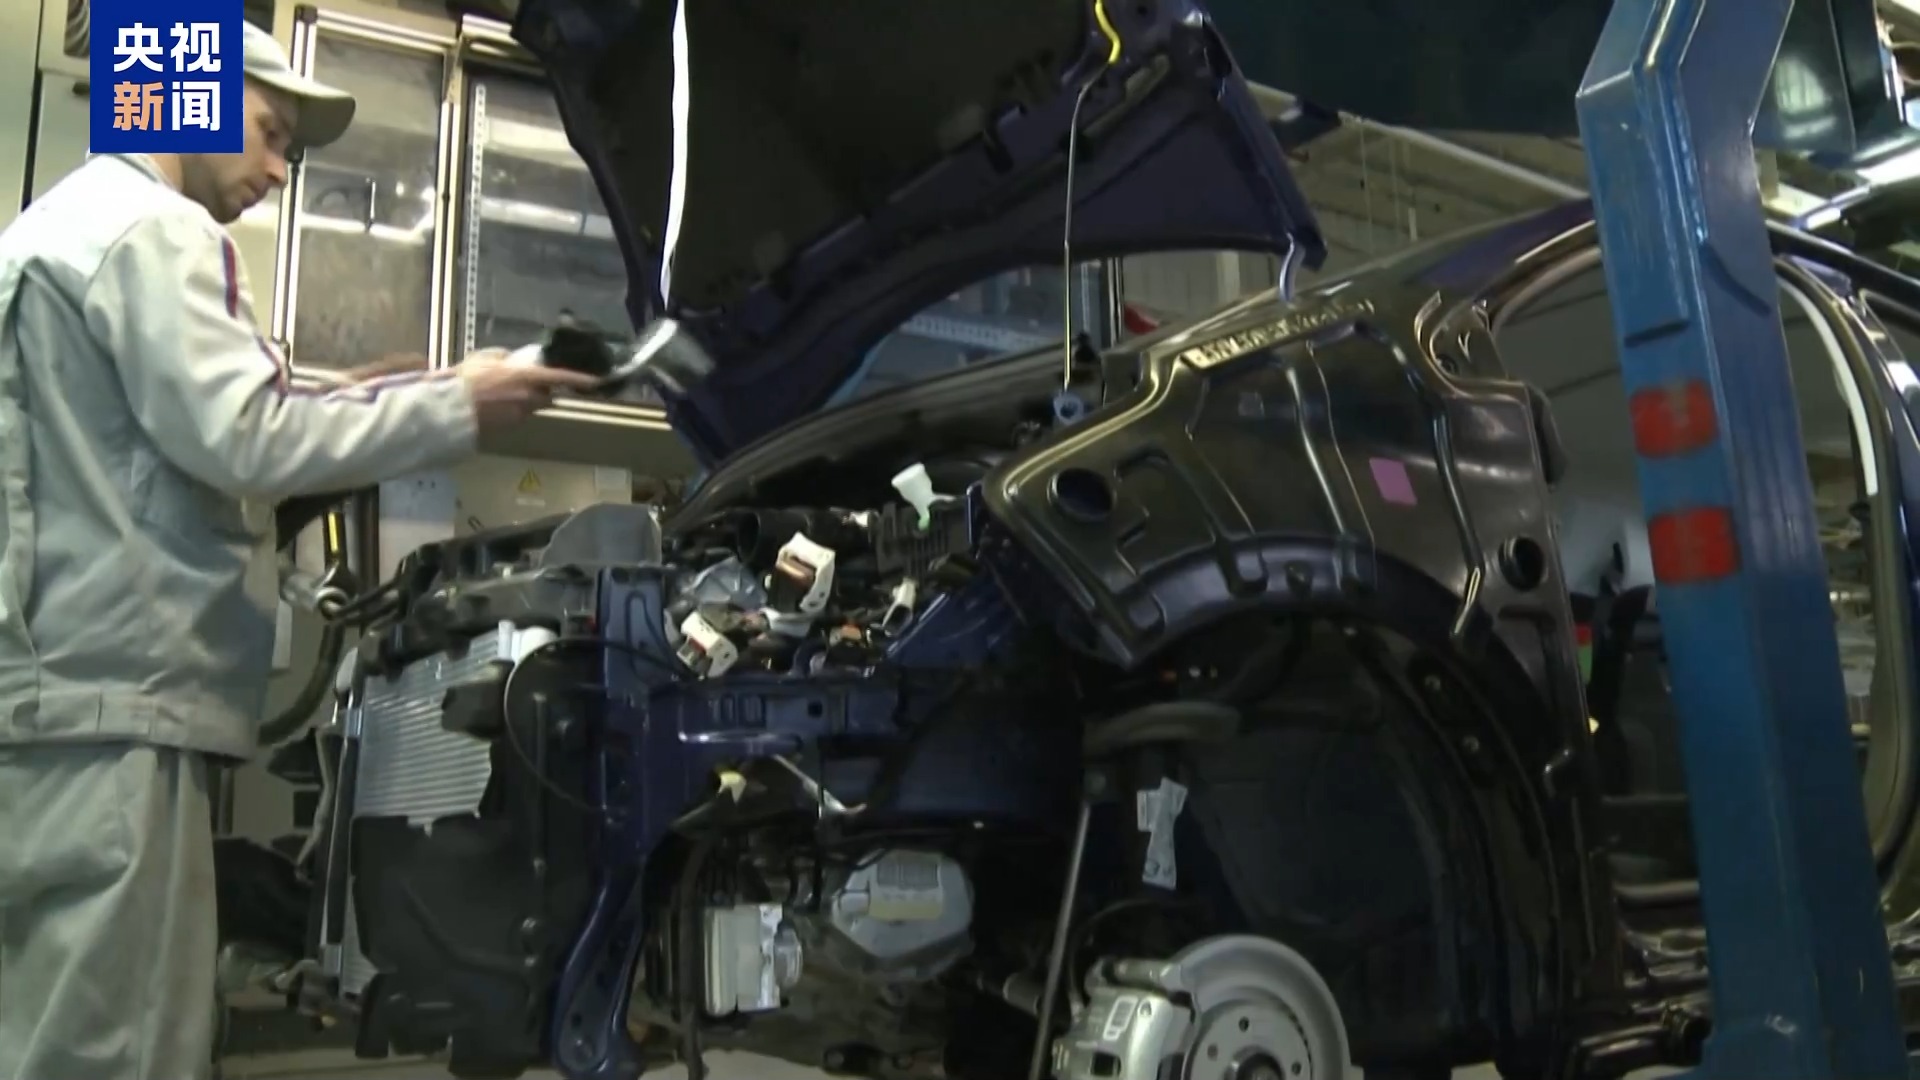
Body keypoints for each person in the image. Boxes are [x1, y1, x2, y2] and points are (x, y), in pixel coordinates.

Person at [0, 22, 597, 1080]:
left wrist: (382, 390)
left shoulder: (67, 228)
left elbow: (162, 439)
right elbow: (251, 437)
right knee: (120, 1051)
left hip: (61, 708)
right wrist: (462, 404)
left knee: (59, 1031)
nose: (280, 171)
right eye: (272, 133)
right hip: (111, 717)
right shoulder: (155, 230)